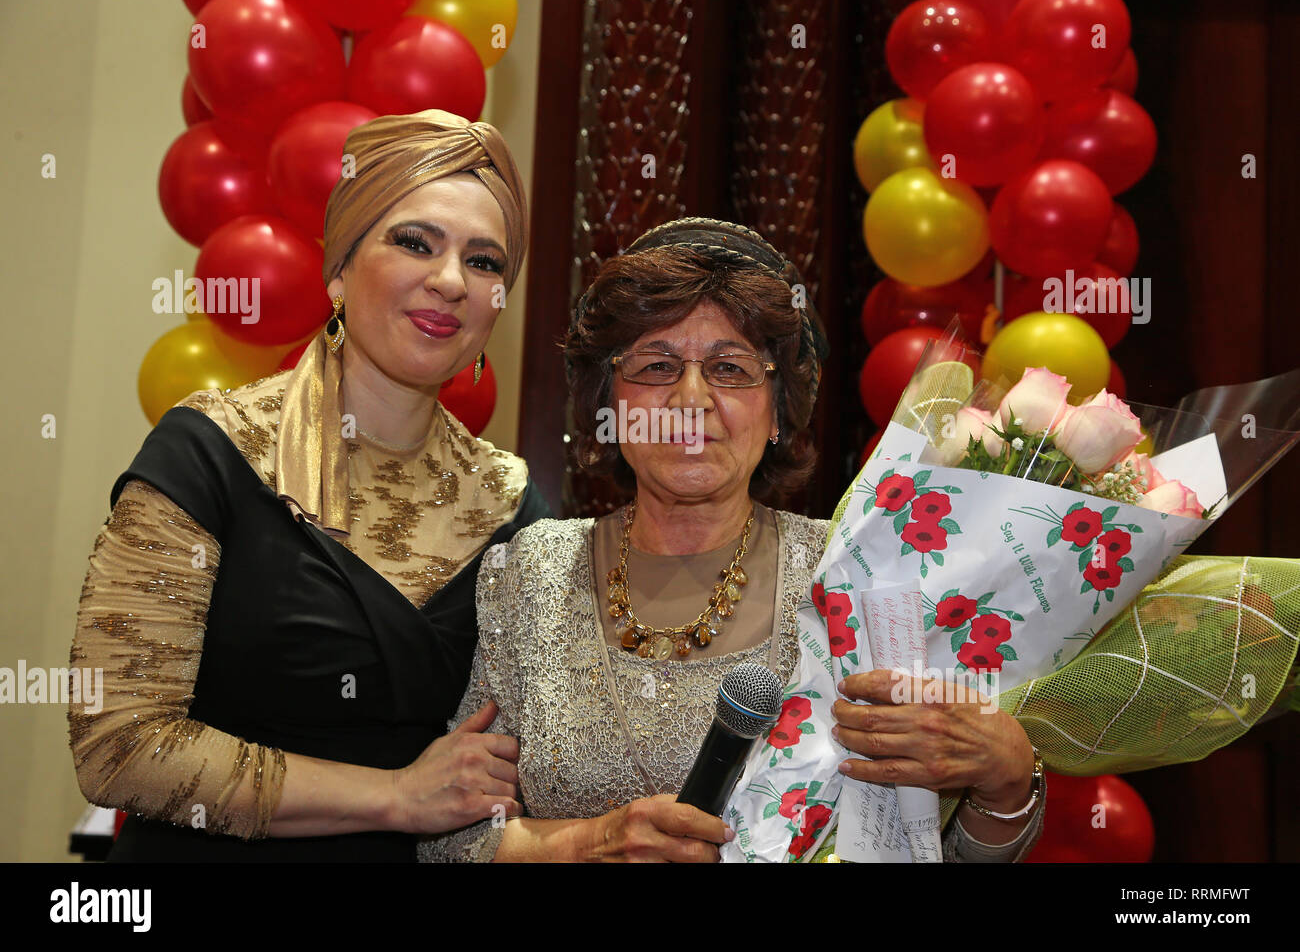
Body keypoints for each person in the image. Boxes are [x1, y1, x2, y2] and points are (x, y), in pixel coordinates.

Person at [418, 218, 1042, 862]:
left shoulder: (861, 574)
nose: (692, 398)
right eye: (657, 366)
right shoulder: (527, 570)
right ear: (609, 399)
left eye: (730, 368)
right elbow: (449, 839)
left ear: (777, 409)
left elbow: (920, 846)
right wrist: (590, 841)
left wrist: (1009, 780)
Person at [68, 110, 550, 861]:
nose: (451, 280)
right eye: (415, 242)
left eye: (486, 263)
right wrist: (395, 797)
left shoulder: (515, 508)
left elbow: (509, 780)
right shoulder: (208, 454)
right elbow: (118, 744)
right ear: (337, 269)